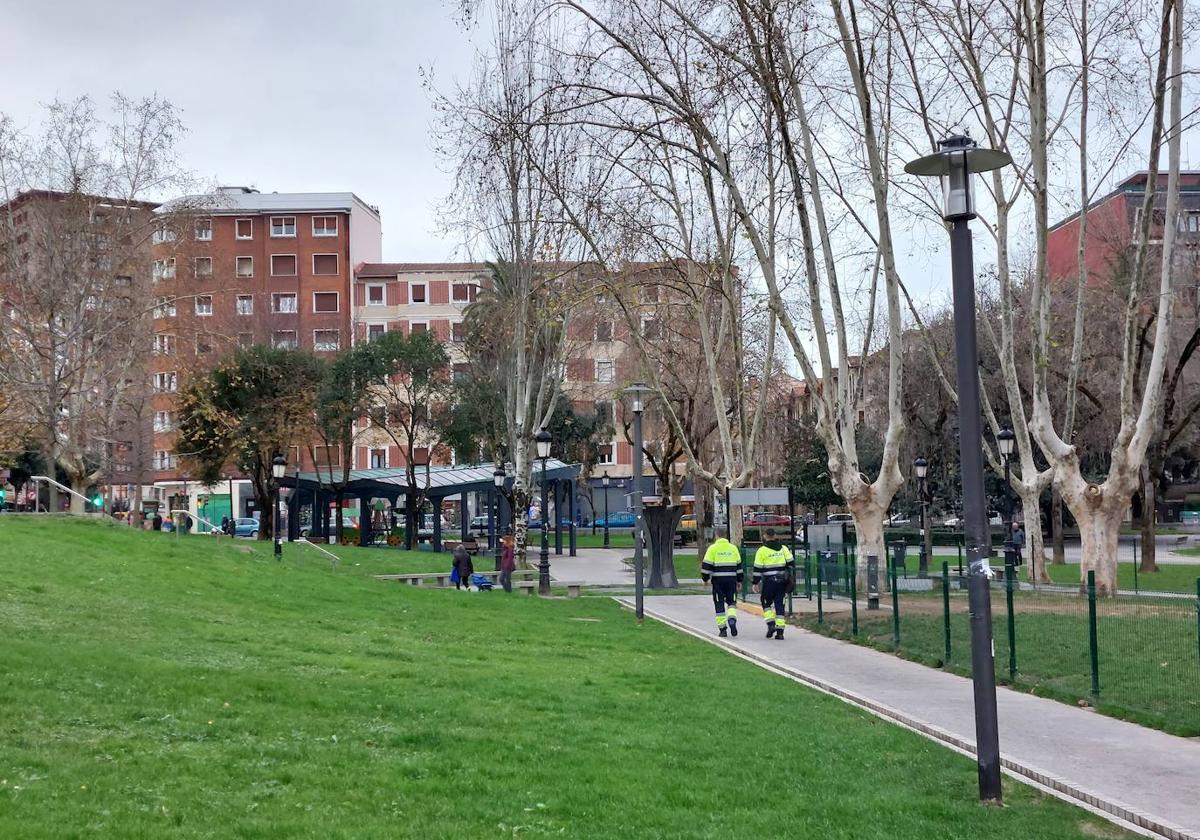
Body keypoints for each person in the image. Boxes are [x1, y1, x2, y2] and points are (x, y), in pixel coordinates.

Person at [753, 528, 795, 640]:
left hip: (769, 582)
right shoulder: (783, 549)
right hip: (782, 582)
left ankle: (771, 624)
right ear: (775, 535)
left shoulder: (762, 550)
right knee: (779, 605)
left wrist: (755, 583)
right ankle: (780, 632)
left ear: (765, 536)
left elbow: (757, 568)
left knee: (765, 602)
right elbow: (791, 563)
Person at [701, 535, 744, 637]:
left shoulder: (712, 548)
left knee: (719, 604)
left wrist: (705, 579)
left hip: (718, 582)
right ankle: (732, 620)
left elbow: (706, 566)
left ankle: (722, 629)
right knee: (732, 603)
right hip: (731, 581)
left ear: (716, 537)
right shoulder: (733, 548)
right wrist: (739, 580)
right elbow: (739, 566)